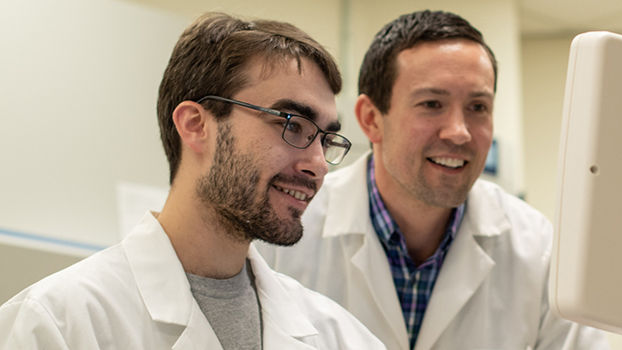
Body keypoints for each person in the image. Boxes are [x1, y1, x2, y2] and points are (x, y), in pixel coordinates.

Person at [0, 12, 384, 349]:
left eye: (325, 138)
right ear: (196, 125)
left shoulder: (340, 336)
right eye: (292, 125)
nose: (318, 163)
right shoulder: (57, 324)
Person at [259, 9, 610, 350]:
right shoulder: (283, 235)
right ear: (371, 119)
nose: (459, 133)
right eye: (431, 104)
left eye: (478, 107)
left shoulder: (537, 248)